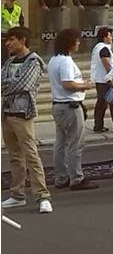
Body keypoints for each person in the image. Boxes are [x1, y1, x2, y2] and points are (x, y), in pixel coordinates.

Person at [1, 26, 53, 213]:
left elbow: (24, 84)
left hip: (23, 113)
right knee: (14, 156)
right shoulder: (9, 62)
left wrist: (6, 86)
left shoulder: (34, 61)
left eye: (12, 39)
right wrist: (8, 85)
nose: (8, 43)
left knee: (31, 154)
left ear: (22, 40)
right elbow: (5, 81)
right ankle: (17, 194)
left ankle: (42, 195)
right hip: (6, 113)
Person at [46, 28, 98, 191]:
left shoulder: (54, 59)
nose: (78, 43)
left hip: (58, 105)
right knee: (75, 143)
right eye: (76, 40)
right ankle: (76, 177)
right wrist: (85, 85)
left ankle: (61, 177)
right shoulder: (65, 61)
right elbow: (68, 84)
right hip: (69, 105)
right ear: (69, 42)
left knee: (61, 143)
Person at [89, 27, 113, 133]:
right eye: (110, 36)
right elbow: (107, 63)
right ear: (105, 37)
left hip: (100, 79)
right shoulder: (104, 49)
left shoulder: (98, 47)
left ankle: (99, 125)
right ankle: (100, 125)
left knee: (103, 103)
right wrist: (112, 76)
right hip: (105, 80)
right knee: (105, 103)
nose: (111, 38)